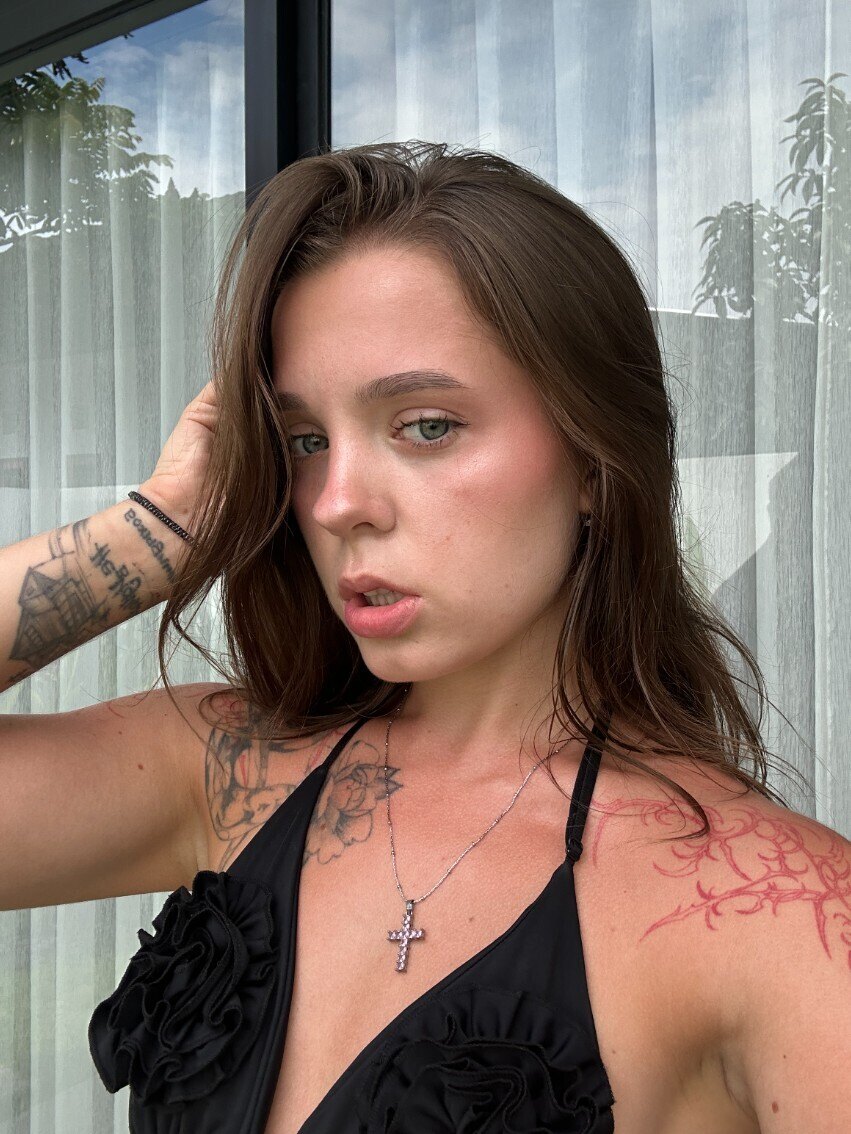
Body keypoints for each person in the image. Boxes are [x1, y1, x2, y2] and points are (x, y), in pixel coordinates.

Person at [1, 141, 848, 1133]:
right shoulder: (227, 769)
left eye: (427, 425)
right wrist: (156, 531)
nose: (336, 502)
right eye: (304, 441)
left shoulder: (772, 915)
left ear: (592, 459)